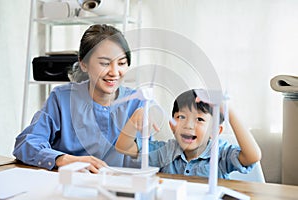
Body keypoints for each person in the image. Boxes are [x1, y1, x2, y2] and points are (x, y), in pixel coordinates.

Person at [13, 24, 144, 173]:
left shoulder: (136, 103)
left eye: (121, 63)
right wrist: (65, 160)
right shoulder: (61, 98)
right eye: (105, 63)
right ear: (83, 64)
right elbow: (26, 143)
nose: (114, 72)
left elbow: (146, 160)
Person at [115, 89, 262, 179]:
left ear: (215, 132)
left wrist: (227, 110)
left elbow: (252, 156)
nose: (188, 125)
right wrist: (135, 118)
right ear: (172, 126)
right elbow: (123, 148)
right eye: (182, 117)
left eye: (199, 119)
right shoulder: (166, 151)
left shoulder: (220, 153)